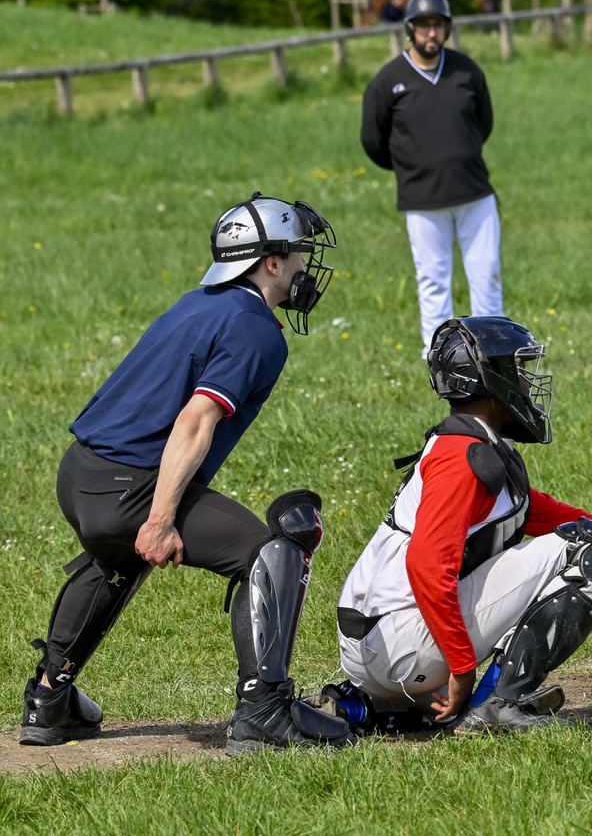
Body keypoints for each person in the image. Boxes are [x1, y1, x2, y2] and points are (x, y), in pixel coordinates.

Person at [20, 193, 356, 756]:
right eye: (297, 253)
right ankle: (264, 710)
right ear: (270, 262)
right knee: (272, 549)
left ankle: (49, 700)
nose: (304, 266)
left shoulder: (199, 302)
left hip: (79, 474)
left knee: (115, 557)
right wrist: (158, 519)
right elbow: (195, 420)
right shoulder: (256, 328)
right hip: (129, 487)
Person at [318, 316, 592, 734]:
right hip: (399, 646)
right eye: (519, 369)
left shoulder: (468, 444)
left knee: (585, 537)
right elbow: (426, 566)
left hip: (380, 646)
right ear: (489, 380)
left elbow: (571, 518)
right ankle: (497, 703)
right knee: (586, 552)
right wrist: (460, 667)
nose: (528, 383)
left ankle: (387, 707)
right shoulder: (461, 459)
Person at [361, 0, 504, 349]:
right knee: (433, 279)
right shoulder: (388, 80)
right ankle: (439, 354)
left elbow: (482, 124)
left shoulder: (466, 71)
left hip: (474, 193)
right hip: (421, 198)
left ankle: (492, 349)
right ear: (410, 29)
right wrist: (413, 167)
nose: (431, 33)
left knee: (486, 274)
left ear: (447, 30)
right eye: (423, 26)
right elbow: (373, 140)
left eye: (438, 26)